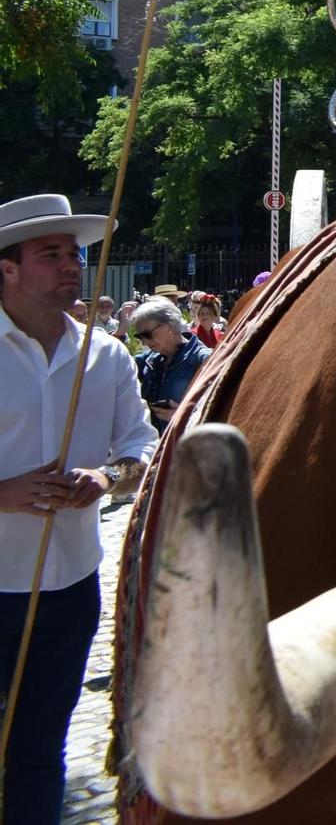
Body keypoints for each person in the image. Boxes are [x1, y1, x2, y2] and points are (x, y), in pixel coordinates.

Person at [0, 195, 156, 824]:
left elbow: (143, 446)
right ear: (7, 269)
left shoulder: (107, 354)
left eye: (76, 254)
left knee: (40, 751)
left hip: (69, 587)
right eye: (51, 254)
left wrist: (106, 477)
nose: (72, 266)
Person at [132, 296, 213, 430]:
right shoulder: (149, 359)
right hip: (153, 446)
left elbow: (223, 410)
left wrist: (186, 418)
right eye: (139, 337)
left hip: (185, 447)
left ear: (169, 326)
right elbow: (117, 365)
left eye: (147, 334)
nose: (143, 342)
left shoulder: (203, 359)